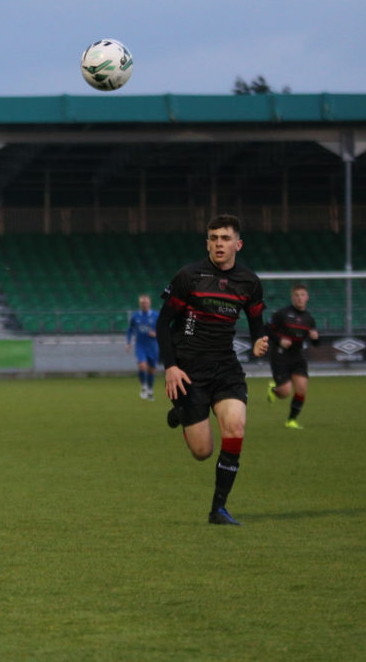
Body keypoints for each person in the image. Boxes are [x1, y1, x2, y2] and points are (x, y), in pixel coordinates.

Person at [156, 214, 268, 526]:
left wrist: (260, 341)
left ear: (238, 244)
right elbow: (163, 323)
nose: (219, 243)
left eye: (225, 238)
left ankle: (218, 509)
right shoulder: (189, 276)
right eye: (214, 238)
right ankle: (182, 413)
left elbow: (257, 324)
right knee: (202, 451)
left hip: (226, 368)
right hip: (188, 370)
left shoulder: (249, 283)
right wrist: (170, 367)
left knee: (235, 426)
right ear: (207, 243)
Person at [265, 283, 319, 429]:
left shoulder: (309, 318)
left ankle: (291, 420)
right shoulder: (282, 314)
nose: (299, 298)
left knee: (301, 389)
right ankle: (274, 389)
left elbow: (316, 343)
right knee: (285, 392)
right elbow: (266, 328)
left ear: (307, 297)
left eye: (302, 295)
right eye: (296, 295)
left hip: (297, 356)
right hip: (280, 356)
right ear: (292, 297)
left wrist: (315, 338)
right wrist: (280, 340)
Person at [125, 293, 159, 400]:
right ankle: (144, 386)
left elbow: (164, 329)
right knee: (142, 366)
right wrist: (128, 342)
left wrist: (156, 334)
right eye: (142, 303)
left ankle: (150, 390)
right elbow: (130, 329)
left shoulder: (156, 315)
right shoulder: (135, 316)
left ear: (150, 303)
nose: (144, 304)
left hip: (153, 346)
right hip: (140, 346)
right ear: (140, 304)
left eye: (146, 302)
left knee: (152, 370)